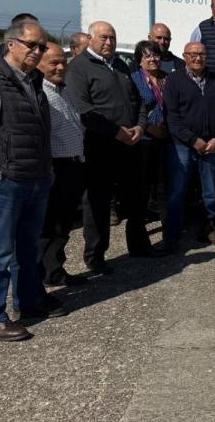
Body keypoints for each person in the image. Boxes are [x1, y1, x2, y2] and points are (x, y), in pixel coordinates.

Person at [0, 21, 63, 342]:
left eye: (42, 46)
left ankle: (29, 301)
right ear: (11, 44)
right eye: (32, 45)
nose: (38, 52)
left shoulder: (32, 81)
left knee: (27, 247)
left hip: (36, 178)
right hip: (9, 180)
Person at [67, 21, 159, 275]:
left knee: (137, 198)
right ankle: (95, 256)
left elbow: (138, 100)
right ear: (90, 38)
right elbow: (83, 109)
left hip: (130, 144)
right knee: (98, 202)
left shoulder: (119, 65)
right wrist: (116, 131)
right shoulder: (79, 68)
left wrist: (140, 126)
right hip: (100, 146)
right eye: (104, 37)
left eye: (113, 37)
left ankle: (139, 245)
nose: (109, 42)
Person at [162, 42, 215, 251]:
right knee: (177, 191)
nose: (198, 58)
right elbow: (171, 118)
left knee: (209, 192)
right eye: (193, 54)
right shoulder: (174, 80)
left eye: (201, 54)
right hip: (183, 146)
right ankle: (172, 236)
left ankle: (208, 229)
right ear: (185, 56)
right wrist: (193, 140)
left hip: (211, 145)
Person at [36, 42, 89, 288]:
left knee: (63, 226)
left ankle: (54, 270)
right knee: (48, 227)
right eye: (53, 63)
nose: (60, 67)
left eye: (63, 62)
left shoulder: (63, 90)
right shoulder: (40, 94)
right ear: (39, 64)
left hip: (73, 166)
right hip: (55, 169)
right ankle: (37, 281)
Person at [131, 40, 170, 218]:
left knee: (164, 182)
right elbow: (131, 111)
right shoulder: (134, 80)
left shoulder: (167, 78)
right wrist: (149, 128)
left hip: (167, 137)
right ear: (140, 60)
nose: (152, 59)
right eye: (147, 56)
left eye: (155, 55)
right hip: (145, 140)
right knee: (144, 183)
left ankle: (166, 222)